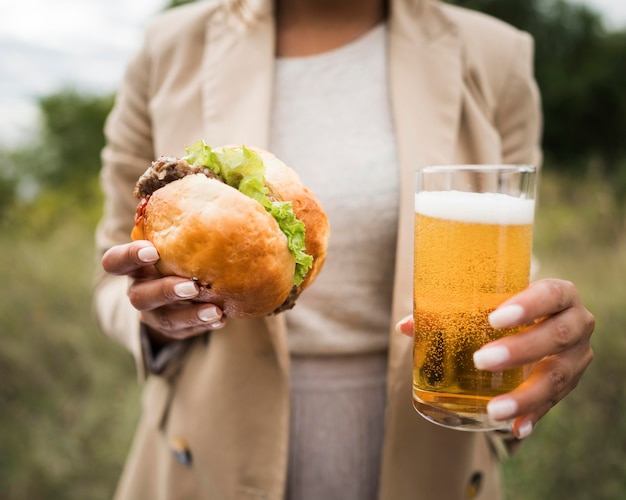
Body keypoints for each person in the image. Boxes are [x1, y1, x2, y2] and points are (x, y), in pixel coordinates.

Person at [94, 0, 595, 498]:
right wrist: (156, 318)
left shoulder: (496, 54)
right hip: (207, 454)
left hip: (431, 454)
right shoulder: (169, 46)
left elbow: (508, 264)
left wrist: (535, 339)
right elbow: (109, 275)